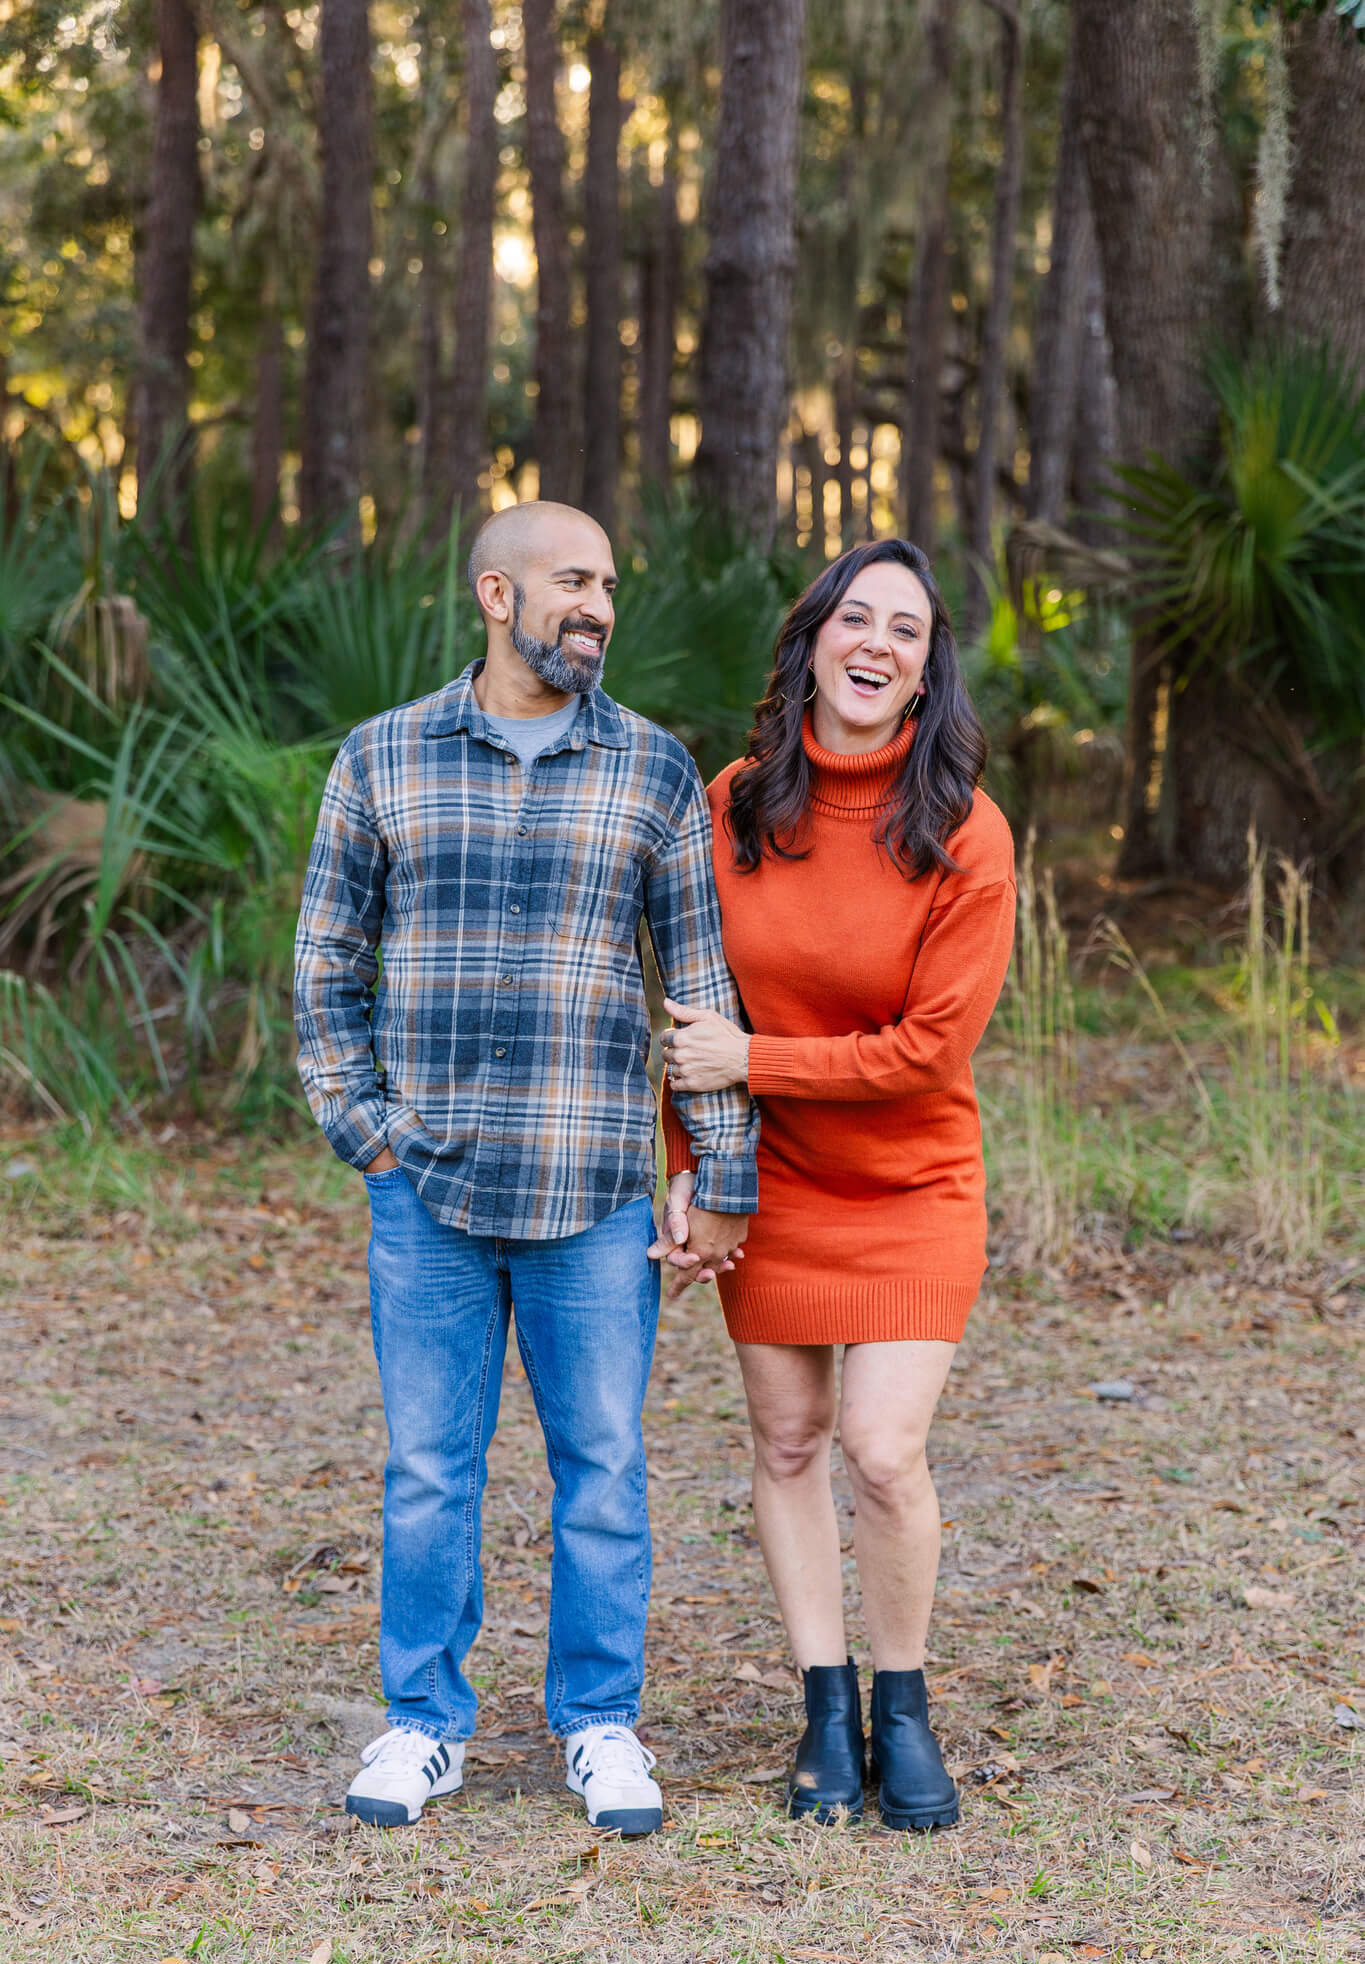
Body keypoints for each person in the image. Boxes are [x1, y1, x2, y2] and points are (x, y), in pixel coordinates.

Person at [294, 501, 757, 1835]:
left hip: (594, 1194)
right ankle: (422, 1723)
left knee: (601, 1466)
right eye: (571, 581)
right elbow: (326, 956)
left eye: (608, 583)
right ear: (496, 595)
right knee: (429, 1471)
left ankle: (599, 1724)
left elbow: (701, 984)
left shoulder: (654, 773)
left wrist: (722, 1171)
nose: (597, 606)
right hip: (424, 1192)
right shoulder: (380, 758)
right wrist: (362, 1131)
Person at [651, 537, 1015, 1830]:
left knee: (880, 1444)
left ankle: (902, 1705)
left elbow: (929, 1051)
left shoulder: (963, 832)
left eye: (903, 630)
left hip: (914, 1178)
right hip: (776, 1180)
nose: (873, 644)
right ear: (810, 643)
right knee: (790, 1441)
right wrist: (693, 1170)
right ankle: (822, 1705)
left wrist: (758, 1057)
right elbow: (691, 1012)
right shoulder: (733, 804)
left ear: (925, 674)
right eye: (852, 618)